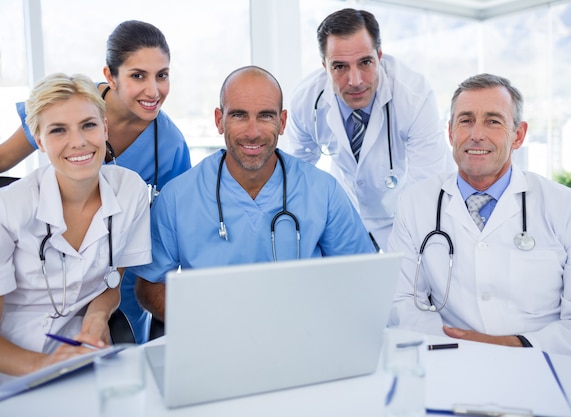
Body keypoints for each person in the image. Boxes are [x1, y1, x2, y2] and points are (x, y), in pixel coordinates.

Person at [387, 73, 571, 361]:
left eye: (493, 121)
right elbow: (398, 305)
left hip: (546, 367)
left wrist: (514, 347)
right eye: (465, 120)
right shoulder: (415, 205)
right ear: (450, 133)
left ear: (519, 135)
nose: (476, 134)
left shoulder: (569, 207)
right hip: (451, 363)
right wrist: (460, 347)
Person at [130, 65, 375, 322]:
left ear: (282, 122)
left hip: (301, 339)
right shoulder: (177, 198)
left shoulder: (323, 192)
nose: (252, 132)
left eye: (266, 116)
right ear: (218, 120)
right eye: (238, 115)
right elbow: (149, 285)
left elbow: (361, 277)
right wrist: (207, 323)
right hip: (214, 342)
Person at [0, 20, 191, 344]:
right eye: (137, 75)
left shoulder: (169, 143)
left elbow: (175, 224)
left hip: (119, 277)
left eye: (162, 75)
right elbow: (3, 160)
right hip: (52, 271)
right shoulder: (69, 104)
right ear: (109, 76)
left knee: (117, 350)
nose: (153, 90)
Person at [0, 73, 151, 380]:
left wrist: (96, 318)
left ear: (104, 127)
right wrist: (43, 367)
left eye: (89, 125)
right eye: (58, 130)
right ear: (39, 141)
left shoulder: (130, 190)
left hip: (82, 355)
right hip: (13, 364)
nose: (79, 141)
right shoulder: (8, 209)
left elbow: (112, 282)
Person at [285, 8, 454, 251]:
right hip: (345, 215)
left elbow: (428, 185)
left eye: (365, 62)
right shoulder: (306, 100)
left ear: (380, 56)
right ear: (324, 66)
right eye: (340, 67)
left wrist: (411, 251)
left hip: (402, 213)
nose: (355, 81)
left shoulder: (413, 95)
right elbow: (294, 178)